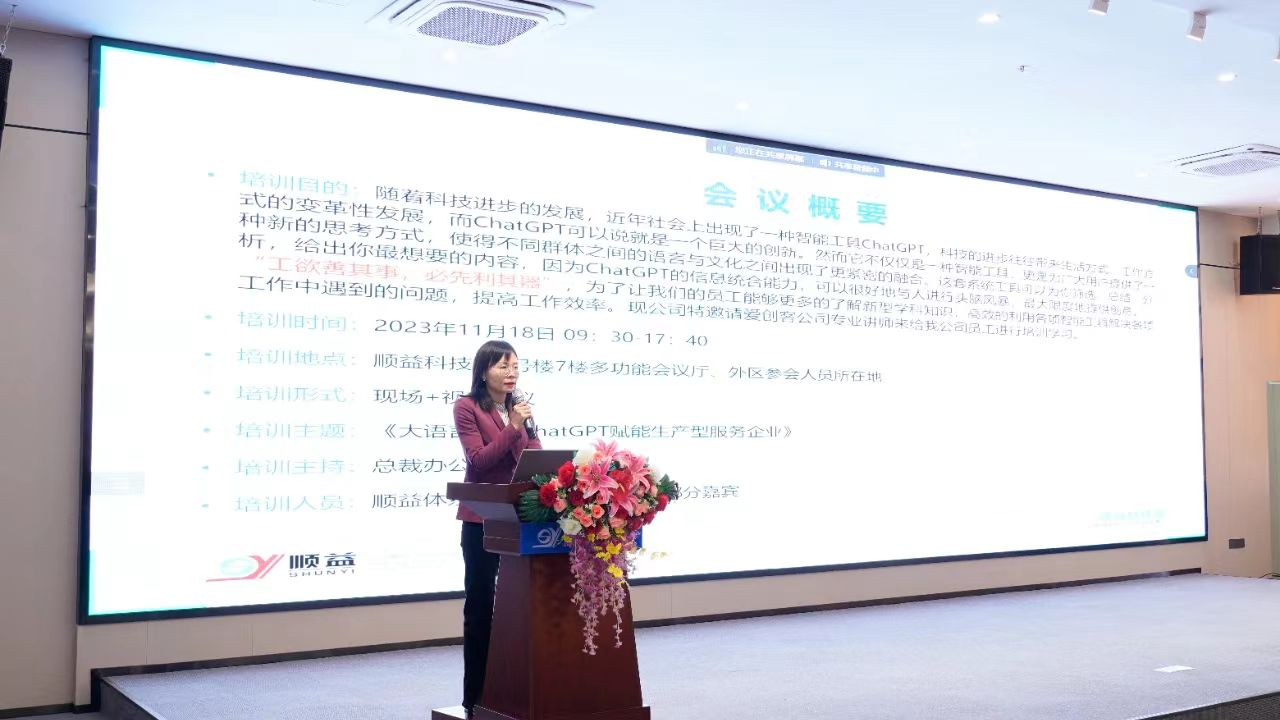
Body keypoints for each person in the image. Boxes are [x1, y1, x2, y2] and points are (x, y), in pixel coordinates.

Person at [453, 340, 541, 714]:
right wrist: (513, 427)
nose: (511, 373)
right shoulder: (467, 407)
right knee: (480, 606)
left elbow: (536, 458)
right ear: (484, 370)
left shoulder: (520, 407)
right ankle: (474, 697)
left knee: (518, 608)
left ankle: (511, 693)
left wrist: (527, 433)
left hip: (519, 518)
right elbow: (479, 461)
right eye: (503, 366)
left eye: (515, 366)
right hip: (482, 519)